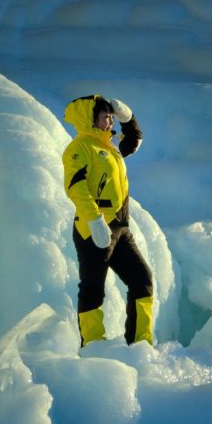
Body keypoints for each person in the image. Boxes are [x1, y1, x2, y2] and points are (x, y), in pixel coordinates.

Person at [62, 94, 154, 347]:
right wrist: (94, 221)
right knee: (93, 288)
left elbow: (134, 141)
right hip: (93, 229)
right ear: (90, 119)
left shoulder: (110, 147)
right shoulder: (79, 148)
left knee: (142, 280)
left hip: (121, 229)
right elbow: (75, 187)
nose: (110, 121)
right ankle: (92, 345)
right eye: (106, 116)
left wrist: (129, 119)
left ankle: (140, 344)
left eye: (112, 117)